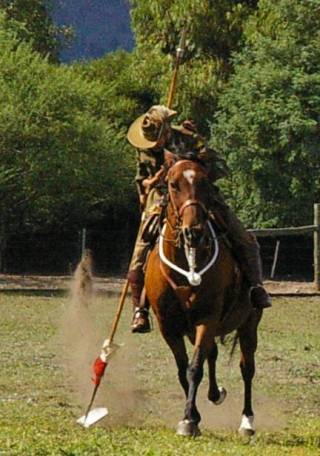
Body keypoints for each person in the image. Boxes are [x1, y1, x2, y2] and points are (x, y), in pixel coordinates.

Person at [127, 105, 271, 333]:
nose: (155, 145)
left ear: (166, 130)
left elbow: (218, 166)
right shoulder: (143, 146)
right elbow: (141, 180)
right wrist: (152, 182)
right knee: (139, 252)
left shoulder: (189, 138)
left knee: (243, 238)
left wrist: (189, 162)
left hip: (199, 195)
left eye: (159, 139)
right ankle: (139, 311)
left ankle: (256, 287)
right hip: (162, 199)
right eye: (151, 142)